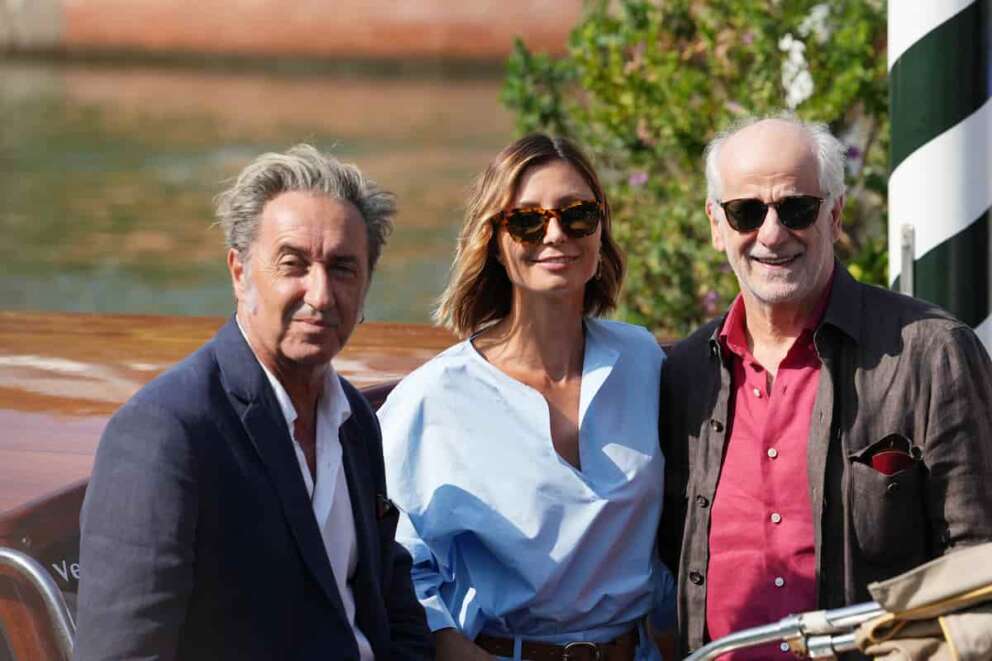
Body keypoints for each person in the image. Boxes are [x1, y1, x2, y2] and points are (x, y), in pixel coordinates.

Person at [73, 145, 433, 661]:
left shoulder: (356, 422)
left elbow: (388, 596)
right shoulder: (166, 431)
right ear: (240, 273)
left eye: (343, 268)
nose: (321, 293)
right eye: (294, 264)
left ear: (367, 285)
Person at [658, 115, 992, 658]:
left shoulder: (931, 354)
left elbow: (979, 561)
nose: (771, 233)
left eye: (796, 208)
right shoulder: (687, 373)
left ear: (834, 215)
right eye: (746, 212)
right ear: (716, 225)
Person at [378, 134, 676, 661]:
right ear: (494, 240)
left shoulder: (644, 361)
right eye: (528, 221)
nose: (556, 234)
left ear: (601, 228)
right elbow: (395, 565)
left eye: (577, 214)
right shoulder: (435, 398)